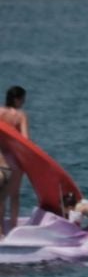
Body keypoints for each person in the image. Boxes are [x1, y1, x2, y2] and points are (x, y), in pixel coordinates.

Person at [0, 86, 27, 235]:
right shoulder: (20, 116)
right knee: (14, 195)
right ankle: (14, 230)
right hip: (14, 162)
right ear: (17, 99)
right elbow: (25, 140)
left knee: (0, 198)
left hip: (0, 160)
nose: (23, 102)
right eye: (23, 99)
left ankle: (0, 232)